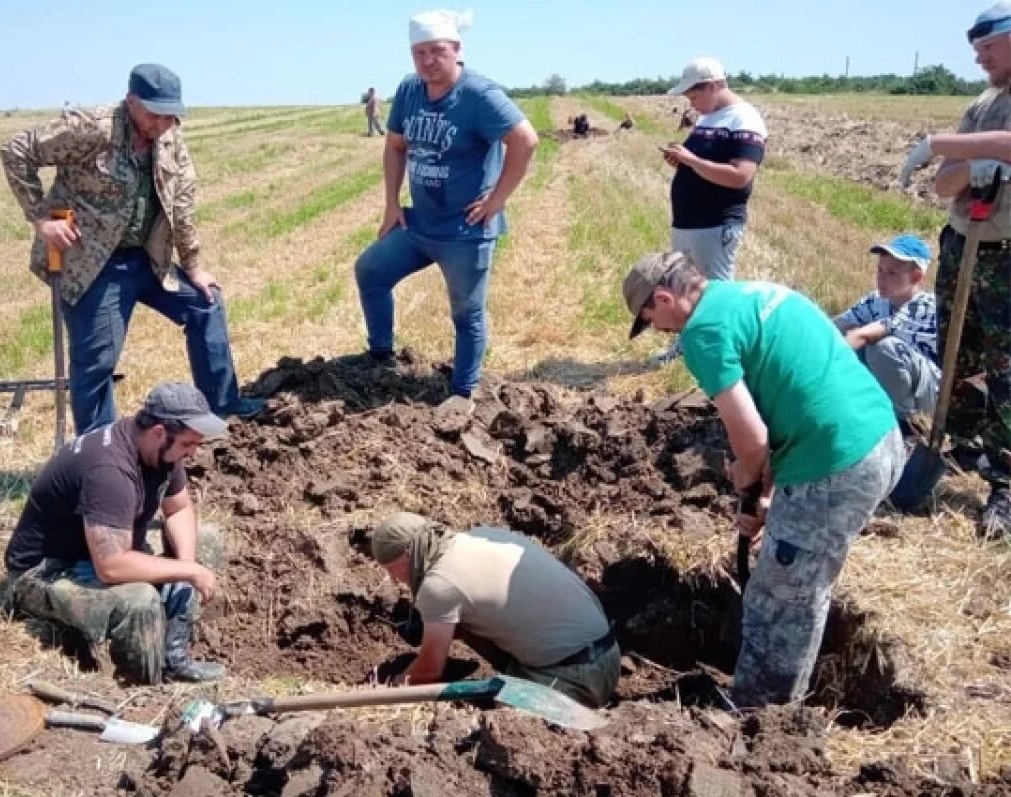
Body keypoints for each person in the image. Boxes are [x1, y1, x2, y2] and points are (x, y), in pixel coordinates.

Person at [622, 251, 904, 708]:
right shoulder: (758, 294)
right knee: (794, 578)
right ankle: (771, 702)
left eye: (651, 318)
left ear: (664, 297)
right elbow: (790, 402)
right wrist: (766, 493)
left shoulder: (703, 334)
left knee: (783, 595)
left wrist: (746, 479)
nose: (659, 330)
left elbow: (752, 440)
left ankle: (761, 721)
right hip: (880, 440)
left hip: (836, 464)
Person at [0, 63, 264, 435]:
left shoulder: (170, 136)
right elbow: (16, 151)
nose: (164, 123)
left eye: (172, 114)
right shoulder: (91, 126)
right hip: (94, 262)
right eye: (155, 113)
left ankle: (223, 409)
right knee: (96, 361)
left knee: (206, 302)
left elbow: (181, 202)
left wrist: (193, 265)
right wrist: (42, 220)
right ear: (131, 102)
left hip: (147, 258)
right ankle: (101, 450)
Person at [353, 9, 538, 413]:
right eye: (419, 53)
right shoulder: (409, 90)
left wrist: (497, 200)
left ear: (457, 50)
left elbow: (525, 141)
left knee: (466, 312)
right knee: (370, 270)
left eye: (437, 51)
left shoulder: (479, 95)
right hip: (420, 224)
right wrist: (390, 204)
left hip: (465, 230)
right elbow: (396, 145)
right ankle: (381, 356)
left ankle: (463, 392)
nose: (427, 61)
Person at [4, 383, 228, 684]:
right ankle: (147, 681)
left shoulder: (161, 451)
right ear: (160, 431)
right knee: (140, 600)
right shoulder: (109, 470)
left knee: (208, 541)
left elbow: (178, 509)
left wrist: (184, 569)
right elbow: (111, 566)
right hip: (46, 572)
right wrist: (187, 571)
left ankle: (176, 651)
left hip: (96, 552)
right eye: (188, 444)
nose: (193, 452)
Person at [897, 1, 1011, 538]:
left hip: (1008, 253)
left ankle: (1007, 484)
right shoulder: (983, 104)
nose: (979, 56)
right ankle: (961, 444)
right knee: (956, 352)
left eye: (988, 45)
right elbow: (944, 184)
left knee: (1008, 367)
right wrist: (972, 165)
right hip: (964, 242)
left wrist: (942, 144)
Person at [371, 512, 620, 708]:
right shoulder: (481, 535)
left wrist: (391, 686)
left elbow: (428, 672)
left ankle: (546, 698)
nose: (393, 580)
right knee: (470, 623)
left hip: (577, 678)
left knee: (507, 725)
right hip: (609, 653)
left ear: (406, 555)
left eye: (391, 570)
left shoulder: (438, 585)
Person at [652, 58, 767, 365]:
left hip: (715, 223)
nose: (694, 105)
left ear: (715, 85)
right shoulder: (710, 117)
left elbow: (741, 175)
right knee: (685, 288)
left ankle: (721, 358)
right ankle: (687, 347)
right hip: (688, 222)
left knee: (715, 295)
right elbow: (702, 163)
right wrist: (683, 161)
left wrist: (690, 161)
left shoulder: (744, 118)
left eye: (695, 96)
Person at [834, 235, 939, 425]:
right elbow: (836, 325)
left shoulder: (925, 306)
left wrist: (823, 358)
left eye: (892, 273)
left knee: (881, 347)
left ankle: (906, 424)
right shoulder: (877, 299)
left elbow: (864, 335)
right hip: (902, 386)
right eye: (880, 270)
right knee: (857, 342)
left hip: (930, 395)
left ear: (915, 277)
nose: (881, 278)